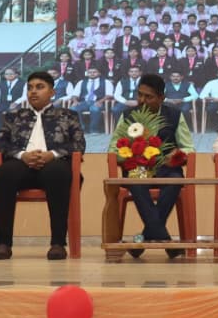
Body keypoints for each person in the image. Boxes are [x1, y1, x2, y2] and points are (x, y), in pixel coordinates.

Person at [0, 72, 86, 260]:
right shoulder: (14, 116)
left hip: (54, 165)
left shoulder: (68, 116)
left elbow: (78, 144)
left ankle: (58, 243)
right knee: (3, 174)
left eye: (39, 87)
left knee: (57, 173)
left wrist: (52, 154)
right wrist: (23, 155)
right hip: (21, 165)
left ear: (52, 92)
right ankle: (3, 243)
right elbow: (1, 144)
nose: (33, 92)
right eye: (30, 88)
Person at [109, 74, 194, 258]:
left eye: (148, 97)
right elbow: (113, 149)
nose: (142, 100)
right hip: (137, 169)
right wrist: (128, 154)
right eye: (139, 95)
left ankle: (145, 237)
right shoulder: (127, 115)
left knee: (175, 181)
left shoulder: (174, 115)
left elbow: (188, 148)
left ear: (161, 98)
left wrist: (177, 155)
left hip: (167, 169)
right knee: (136, 182)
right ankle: (165, 240)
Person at [68, 67, 112, 134]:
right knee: (73, 109)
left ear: (99, 73)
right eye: (90, 72)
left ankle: (94, 129)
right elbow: (74, 95)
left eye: (94, 72)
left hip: (98, 102)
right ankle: (81, 128)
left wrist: (100, 101)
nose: (92, 74)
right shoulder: (81, 82)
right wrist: (75, 101)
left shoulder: (106, 82)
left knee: (94, 109)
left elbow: (109, 95)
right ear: (87, 74)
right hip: (84, 102)